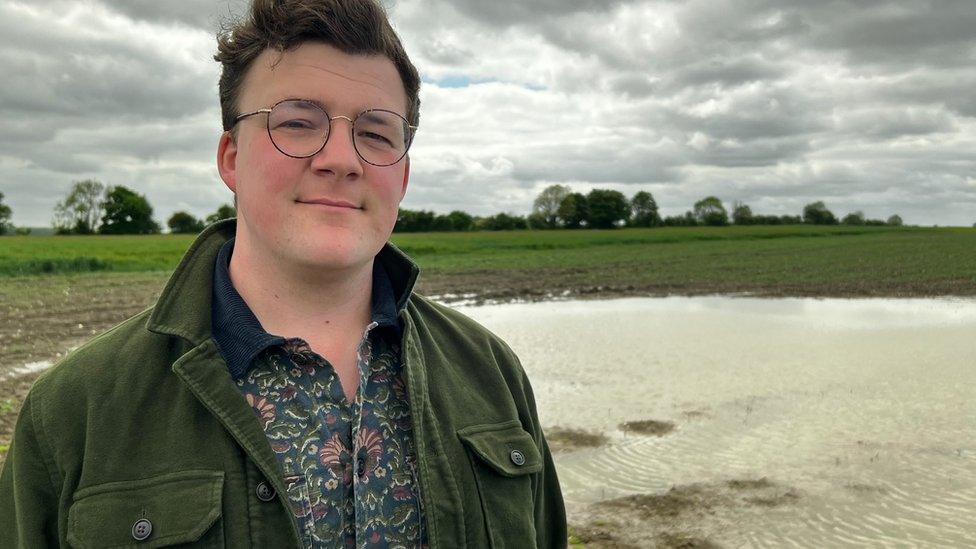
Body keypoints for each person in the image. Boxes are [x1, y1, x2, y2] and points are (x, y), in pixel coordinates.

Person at [0, 0, 566, 546]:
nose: (341, 159)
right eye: (297, 123)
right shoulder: (73, 411)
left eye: (375, 133)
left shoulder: (491, 372)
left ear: (404, 176)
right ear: (231, 158)